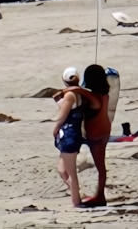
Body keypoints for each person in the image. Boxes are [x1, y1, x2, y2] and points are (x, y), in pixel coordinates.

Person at [52, 66, 87, 209]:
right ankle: (76, 193)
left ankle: (76, 202)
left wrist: (54, 129)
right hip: (73, 134)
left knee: (71, 172)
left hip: (69, 135)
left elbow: (63, 115)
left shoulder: (70, 95)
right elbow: (69, 106)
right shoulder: (78, 93)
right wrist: (58, 100)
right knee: (61, 169)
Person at [82, 65, 111, 206]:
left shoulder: (93, 97)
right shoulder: (104, 95)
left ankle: (100, 196)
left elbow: (78, 90)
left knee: (100, 167)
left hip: (96, 135)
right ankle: (100, 195)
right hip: (105, 130)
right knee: (101, 166)